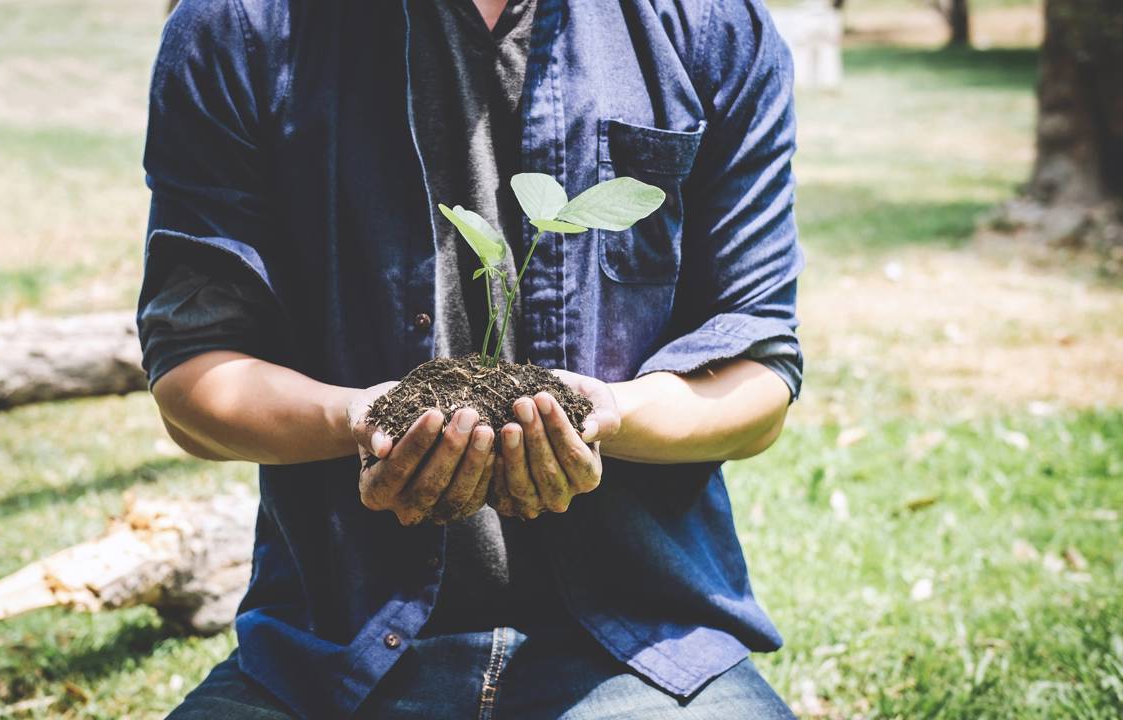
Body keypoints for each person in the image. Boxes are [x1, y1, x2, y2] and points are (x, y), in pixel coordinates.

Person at [138, 0, 804, 717]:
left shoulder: (708, 24)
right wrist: (356, 417)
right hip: (336, 652)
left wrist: (612, 412)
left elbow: (758, 374)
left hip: (641, 646)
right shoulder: (241, 25)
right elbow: (193, 374)